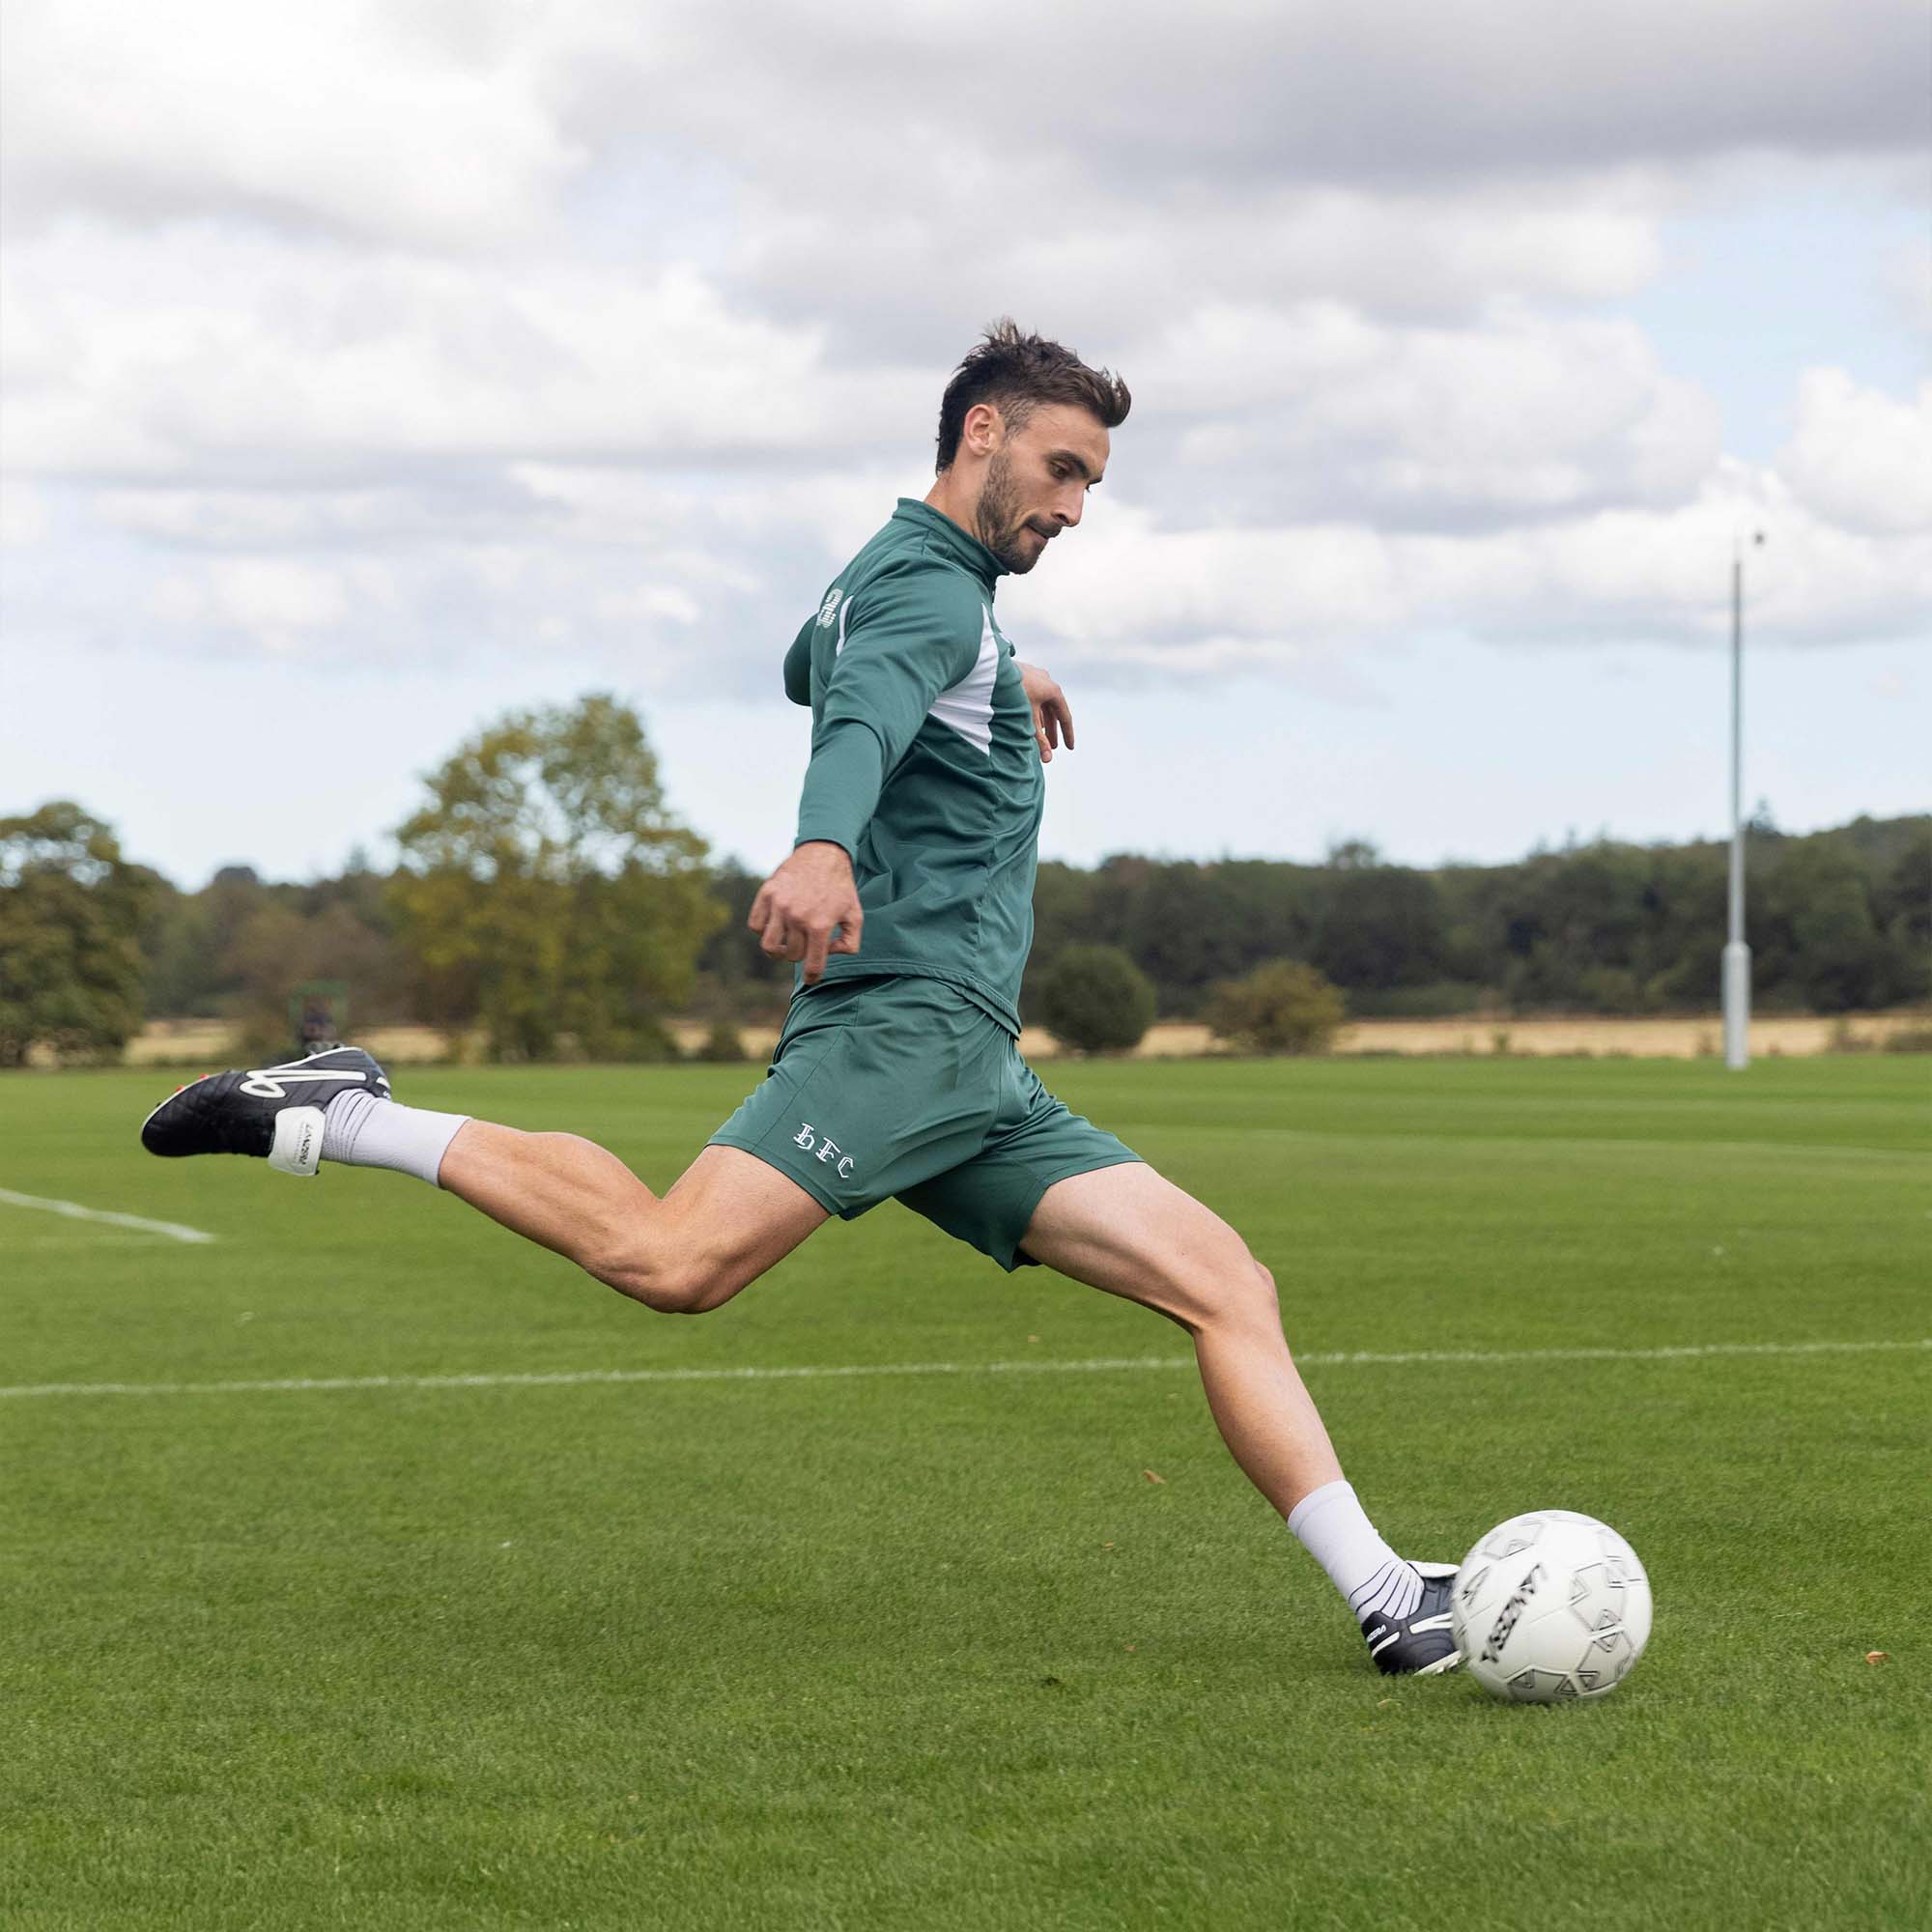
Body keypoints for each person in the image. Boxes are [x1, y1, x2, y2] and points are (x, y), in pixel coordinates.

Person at [140, 321, 1459, 1676]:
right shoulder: (932, 598)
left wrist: (1004, 674)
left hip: (973, 1068)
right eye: (1063, 471)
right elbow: (858, 718)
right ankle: (348, 1117)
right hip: (905, 1031)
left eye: (1094, 489)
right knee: (672, 1261)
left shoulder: (895, 582)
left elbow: (809, 667)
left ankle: (1385, 1595)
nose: (1074, 508)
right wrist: (827, 842)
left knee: (1225, 1282)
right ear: (982, 433)